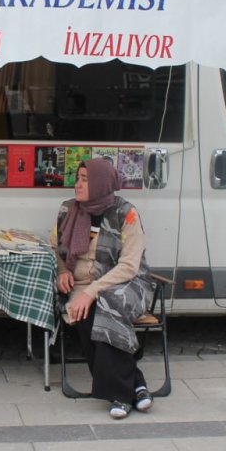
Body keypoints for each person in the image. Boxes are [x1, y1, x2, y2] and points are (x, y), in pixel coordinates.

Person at [51, 158, 154, 420]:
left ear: (100, 183)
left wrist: (92, 291)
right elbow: (57, 248)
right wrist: (63, 271)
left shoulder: (126, 213)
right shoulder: (67, 210)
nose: (78, 184)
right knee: (84, 313)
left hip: (128, 284)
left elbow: (129, 266)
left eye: (85, 179)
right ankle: (136, 385)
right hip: (83, 285)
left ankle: (119, 395)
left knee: (107, 305)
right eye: (78, 178)